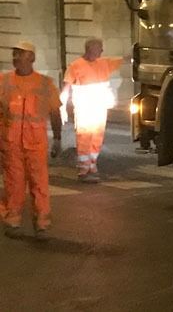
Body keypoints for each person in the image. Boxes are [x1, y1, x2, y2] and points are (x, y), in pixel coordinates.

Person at [0, 42, 62, 239]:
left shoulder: (45, 83)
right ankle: (13, 221)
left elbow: (55, 113)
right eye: (14, 53)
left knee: (39, 184)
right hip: (11, 144)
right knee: (13, 184)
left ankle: (42, 224)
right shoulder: (3, 81)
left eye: (21, 54)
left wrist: (58, 138)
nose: (16, 57)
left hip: (35, 144)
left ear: (32, 58)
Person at [61, 37, 123, 181]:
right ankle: (84, 169)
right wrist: (62, 106)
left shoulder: (103, 63)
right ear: (90, 49)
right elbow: (67, 86)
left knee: (97, 136)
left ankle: (92, 165)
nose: (102, 51)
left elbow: (124, 60)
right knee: (84, 137)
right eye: (99, 48)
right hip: (84, 108)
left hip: (98, 107)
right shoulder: (76, 65)